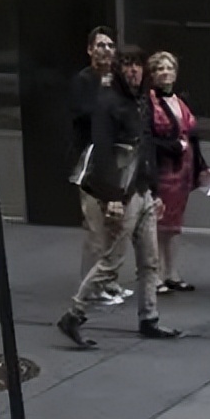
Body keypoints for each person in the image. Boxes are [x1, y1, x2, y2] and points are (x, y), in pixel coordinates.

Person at [57, 46, 182, 348]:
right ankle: (74, 313)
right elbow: (103, 150)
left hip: (142, 188)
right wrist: (112, 196)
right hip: (123, 192)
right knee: (112, 261)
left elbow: (147, 145)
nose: (133, 70)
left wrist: (154, 189)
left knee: (149, 260)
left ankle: (149, 317)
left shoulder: (142, 100)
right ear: (118, 69)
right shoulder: (109, 102)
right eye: (127, 65)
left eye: (137, 64)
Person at [69, 26, 130, 305]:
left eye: (110, 45)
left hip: (115, 159)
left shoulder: (118, 80)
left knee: (115, 224)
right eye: (100, 45)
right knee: (95, 226)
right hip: (91, 160)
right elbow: (84, 114)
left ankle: (108, 280)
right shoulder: (83, 81)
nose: (106, 50)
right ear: (90, 49)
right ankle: (90, 286)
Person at [146, 51, 210, 294]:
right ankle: (153, 275)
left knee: (174, 225)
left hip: (183, 170)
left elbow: (192, 137)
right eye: (159, 68)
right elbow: (148, 139)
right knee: (156, 223)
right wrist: (171, 146)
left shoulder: (181, 100)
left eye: (169, 68)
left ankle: (171, 273)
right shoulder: (149, 102)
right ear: (152, 74)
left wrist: (202, 167)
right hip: (163, 169)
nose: (165, 72)